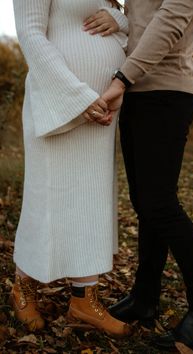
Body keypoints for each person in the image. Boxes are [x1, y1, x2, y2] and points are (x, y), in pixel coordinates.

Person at [85, 0, 193, 350]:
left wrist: (121, 78)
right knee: (146, 205)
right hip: (139, 91)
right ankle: (144, 298)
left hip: (165, 92)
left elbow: (168, 23)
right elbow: (139, 19)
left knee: (160, 205)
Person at [11, 0, 132, 337]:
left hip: (102, 106)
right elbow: (31, 34)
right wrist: (78, 96)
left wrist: (118, 18)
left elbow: (130, 26)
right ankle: (23, 288)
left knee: (90, 197)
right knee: (47, 197)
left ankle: (84, 298)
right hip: (59, 102)